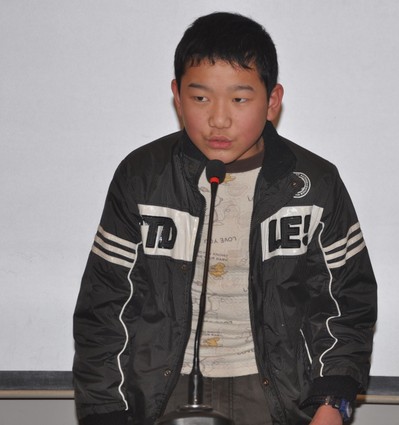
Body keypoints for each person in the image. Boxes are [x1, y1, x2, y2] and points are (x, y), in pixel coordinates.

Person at [73, 11, 377, 425]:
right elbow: (105, 306)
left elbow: (348, 301)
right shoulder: (142, 177)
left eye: (239, 99)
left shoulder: (314, 184)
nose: (219, 119)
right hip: (160, 392)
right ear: (177, 96)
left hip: (276, 394)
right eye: (200, 98)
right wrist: (104, 411)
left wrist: (332, 402)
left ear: (272, 101)